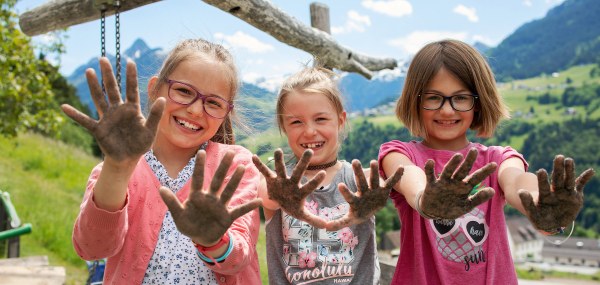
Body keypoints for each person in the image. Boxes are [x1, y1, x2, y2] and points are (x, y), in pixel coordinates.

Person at [378, 39, 595, 284]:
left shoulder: (498, 159)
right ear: (415, 102)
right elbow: (408, 177)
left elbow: (516, 182)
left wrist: (540, 205)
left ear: (479, 103)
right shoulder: (399, 153)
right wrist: (424, 200)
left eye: (460, 98)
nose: (447, 110)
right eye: (433, 98)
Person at [61, 39, 263, 284]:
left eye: (213, 103)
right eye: (184, 91)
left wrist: (214, 240)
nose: (196, 110)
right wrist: (116, 169)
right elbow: (92, 249)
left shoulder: (235, 165)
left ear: (226, 112)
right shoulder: (112, 172)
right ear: (155, 88)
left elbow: (237, 260)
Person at [252, 66, 403, 284]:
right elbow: (266, 194)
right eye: (296, 122)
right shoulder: (279, 184)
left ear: (340, 121)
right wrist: (278, 193)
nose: (310, 131)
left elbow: (396, 177)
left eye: (320, 119)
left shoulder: (357, 179)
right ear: (284, 127)